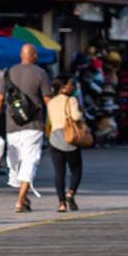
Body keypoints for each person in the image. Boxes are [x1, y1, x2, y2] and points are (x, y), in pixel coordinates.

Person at [0, 43, 51, 213]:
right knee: (30, 161)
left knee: (16, 164)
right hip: (34, 125)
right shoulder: (41, 73)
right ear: (35, 56)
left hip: (12, 126)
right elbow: (48, 101)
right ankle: (22, 199)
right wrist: (53, 125)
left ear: (21, 56)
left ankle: (23, 198)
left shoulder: (8, 73)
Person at [46, 74, 84, 213]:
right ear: (63, 87)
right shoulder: (71, 100)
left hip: (54, 138)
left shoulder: (51, 101)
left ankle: (61, 203)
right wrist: (81, 113)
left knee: (59, 172)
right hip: (69, 137)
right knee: (76, 169)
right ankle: (71, 193)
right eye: (70, 84)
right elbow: (76, 116)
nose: (72, 86)